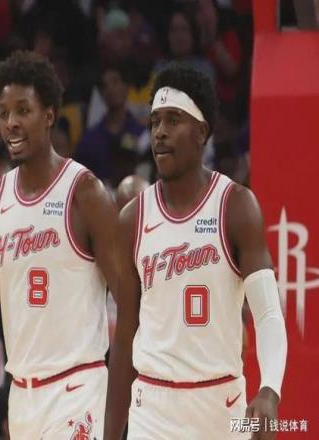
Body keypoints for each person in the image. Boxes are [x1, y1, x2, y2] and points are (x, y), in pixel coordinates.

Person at [104, 63, 287, 439]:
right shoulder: (132, 219)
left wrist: (270, 389)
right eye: (155, 121)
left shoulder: (236, 207)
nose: (160, 132)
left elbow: (268, 313)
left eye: (173, 120)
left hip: (221, 406)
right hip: (152, 410)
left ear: (202, 131)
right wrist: (109, 434)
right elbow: (124, 336)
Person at [0, 50, 118, 439]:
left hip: (79, 389)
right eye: (4, 113)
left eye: (23, 110)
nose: (11, 122)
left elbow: (129, 296)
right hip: (22, 396)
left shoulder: (84, 192)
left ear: (50, 115)